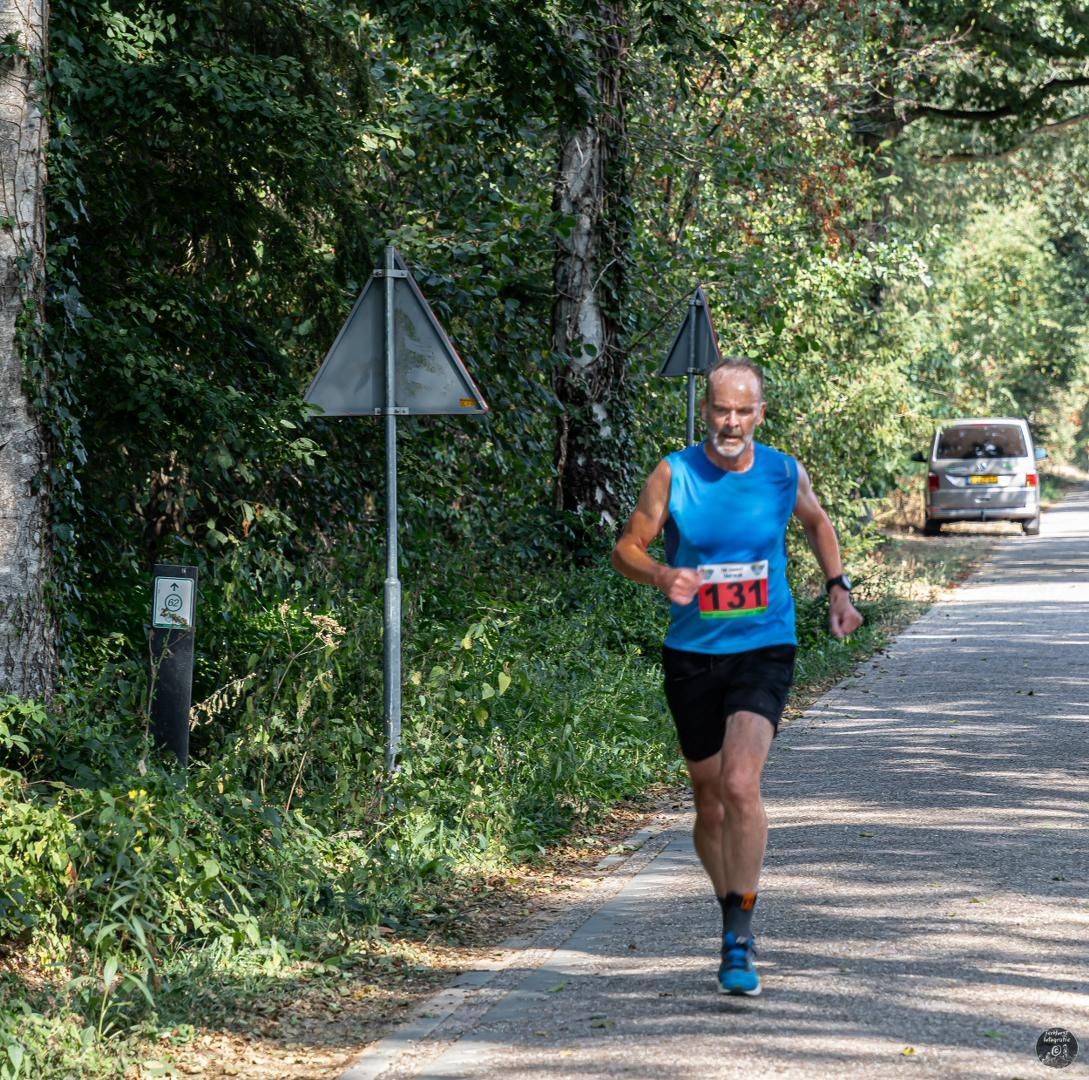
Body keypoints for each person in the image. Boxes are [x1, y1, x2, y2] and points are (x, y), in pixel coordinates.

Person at [610, 355, 863, 996]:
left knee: (740, 783)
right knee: (709, 798)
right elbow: (627, 548)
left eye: (743, 411)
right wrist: (661, 574)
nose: (731, 422)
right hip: (692, 653)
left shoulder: (783, 471)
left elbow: (817, 522)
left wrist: (838, 587)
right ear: (706, 411)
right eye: (721, 409)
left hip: (764, 645)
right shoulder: (674, 474)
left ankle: (737, 936)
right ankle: (729, 906)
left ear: (760, 414)